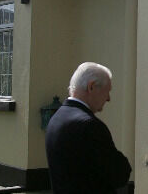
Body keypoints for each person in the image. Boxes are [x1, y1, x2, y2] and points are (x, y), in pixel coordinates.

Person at [45, 62, 131, 194]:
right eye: (107, 91)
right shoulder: (89, 126)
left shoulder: (56, 118)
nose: (108, 98)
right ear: (91, 87)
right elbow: (120, 174)